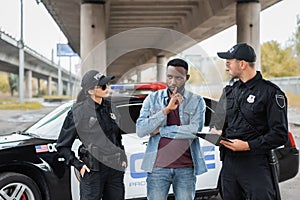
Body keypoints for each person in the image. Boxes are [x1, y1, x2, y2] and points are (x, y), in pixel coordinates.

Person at [210, 43, 288, 200]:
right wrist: (216, 131)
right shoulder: (229, 92)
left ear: (242, 64)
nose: (226, 68)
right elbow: (217, 122)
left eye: (228, 63)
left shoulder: (270, 93)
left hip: (255, 164)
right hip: (229, 164)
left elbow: (280, 135)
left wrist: (248, 146)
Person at [136, 58, 207, 200]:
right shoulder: (152, 99)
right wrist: (166, 110)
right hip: (157, 168)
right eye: (169, 77)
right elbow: (141, 130)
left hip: (186, 168)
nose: (173, 82)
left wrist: (162, 131)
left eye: (178, 78)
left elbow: (194, 131)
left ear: (186, 78)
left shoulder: (197, 101)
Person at [56, 70, 127, 200]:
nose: (107, 88)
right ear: (90, 91)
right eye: (103, 86)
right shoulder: (78, 112)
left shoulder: (111, 107)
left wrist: (123, 157)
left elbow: (117, 137)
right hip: (93, 171)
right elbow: (62, 146)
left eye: (107, 84)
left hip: (115, 169)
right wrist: (79, 165)